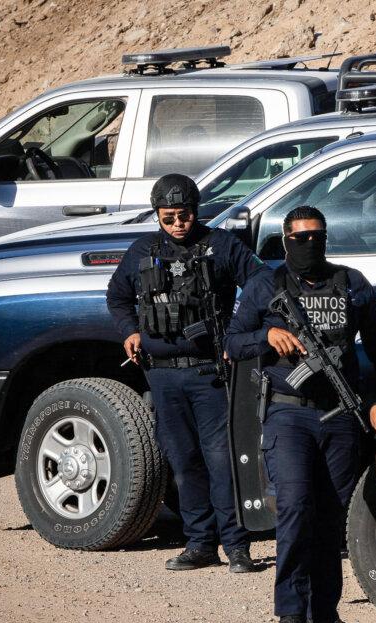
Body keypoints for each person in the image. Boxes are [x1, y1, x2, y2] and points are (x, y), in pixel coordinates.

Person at [224, 205, 376, 623]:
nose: (309, 244)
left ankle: (326, 615)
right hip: (289, 412)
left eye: (317, 236)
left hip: (340, 415)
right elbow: (233, 343)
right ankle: (290, 614)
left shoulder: (352, 283)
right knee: (296, 507)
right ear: (286, 240)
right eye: (300, 238)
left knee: (331, 516)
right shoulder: (266, 285)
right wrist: (267, 336)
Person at [106, 173, 266, 574]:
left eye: (185, 215)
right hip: (162, 377)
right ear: (157, 215)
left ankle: (237, 546)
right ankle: (200, 544)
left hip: (210, 374)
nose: (178, 223)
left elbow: (261, 284)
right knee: (183, 461)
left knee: (222, 462)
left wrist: (237, 333)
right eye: (169, 217)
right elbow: (117, 296)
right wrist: (130, 331)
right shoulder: (143, 250)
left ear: (196, 211)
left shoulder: (221, 245)